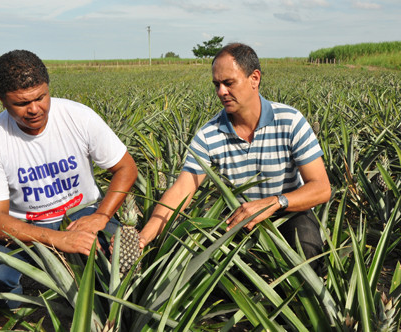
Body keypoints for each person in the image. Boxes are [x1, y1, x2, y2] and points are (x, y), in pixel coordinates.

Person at [0, 50, 138, 311]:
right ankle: (8, 318)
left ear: (48, 88)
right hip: (24, 224)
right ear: (1, 100)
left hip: (84, 211)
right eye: (22, 103)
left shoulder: (78, 117)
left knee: (119, 260)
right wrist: (55, 239)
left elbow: (125, 167)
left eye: (41, 97)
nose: (35, 109)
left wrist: (102, 216)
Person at [138, 43, 331, 268]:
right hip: (238, 218)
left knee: (308, 248)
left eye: (229, 83)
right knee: (204, 266)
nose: (221, 92)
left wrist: (274, 203)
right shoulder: (209, 135)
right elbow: (181, 191)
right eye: (217, 85)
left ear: (254, 79)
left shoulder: (290, 121)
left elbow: (321, 188)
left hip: (288, 210)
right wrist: (145, 236)